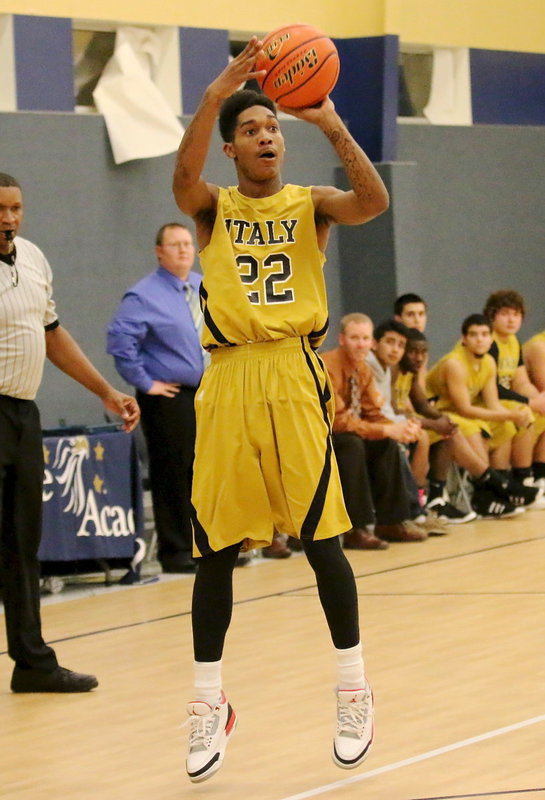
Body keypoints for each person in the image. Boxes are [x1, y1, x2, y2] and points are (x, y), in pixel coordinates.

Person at [172, 37, 390, 782]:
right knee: (216, 549)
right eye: (254, 129)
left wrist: (329, 123)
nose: (268, 136)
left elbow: (373, 201)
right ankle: (207, 703)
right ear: (232, 147)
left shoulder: (312, 206)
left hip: (294, 374)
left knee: (323, 540)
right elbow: (181, 177)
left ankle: (354, 689)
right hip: (228, 376)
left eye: (274, 128)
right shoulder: (211, 208)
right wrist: (211, 97)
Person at [0, 172, 140, 693]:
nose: (8, 218)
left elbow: (52, 334)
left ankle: (32, 662)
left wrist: (105, 391)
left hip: (21, 416)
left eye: (16, 208)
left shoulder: (33, 259)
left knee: (21, 544)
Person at [107, 223, 206, 574]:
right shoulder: (143, 295)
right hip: (171, 397)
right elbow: (121, 343)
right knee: (174, 473)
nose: (183, 250)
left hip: (209, 394)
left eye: (187, 243)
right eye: (174, 244)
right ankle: (176, 551)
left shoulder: (202, 287)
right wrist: (146, 383)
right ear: (159, 251)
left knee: (209, 472)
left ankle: (209, 545)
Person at [322, 313, 428, 546]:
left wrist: (399, 428)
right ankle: (355, 529)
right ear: (341, 339)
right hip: (322, 438)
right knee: (353, 444)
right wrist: (386, 430)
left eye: (365, 338)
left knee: (386, 444)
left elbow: (373, 413)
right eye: (354, 338)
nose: (361, 344)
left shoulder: (363, 369)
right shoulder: (327, 367)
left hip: (349, 433)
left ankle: (391, 521)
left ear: (371, 342)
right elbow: (337, 422)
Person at [425, 313, 537, 517]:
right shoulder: (454, 364)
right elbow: (464, 409)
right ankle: (488, 492)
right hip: (440, 414)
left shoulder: (488, 362)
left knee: (507, 426)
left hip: (462, 413)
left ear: (491, 338)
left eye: (485, 334)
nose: (480, 339)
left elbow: (493, 403)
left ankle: (504, 486)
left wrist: (515, 415)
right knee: (471, 426)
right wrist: (510, 415)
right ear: (464, 339)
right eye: (474, 335)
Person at [483, 290, 545, 495]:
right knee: (524, 415)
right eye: (506, 313)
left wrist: (537, 399)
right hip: (482, 401)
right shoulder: (487, 341)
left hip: (503, 399)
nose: (512, 320)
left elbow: (520, 381)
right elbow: (492, 388)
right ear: (492, 315)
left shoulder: (513, 342)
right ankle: (522, 478)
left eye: (516, 314)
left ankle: (539, 475)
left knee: (539, 413)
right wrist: (530, 402)